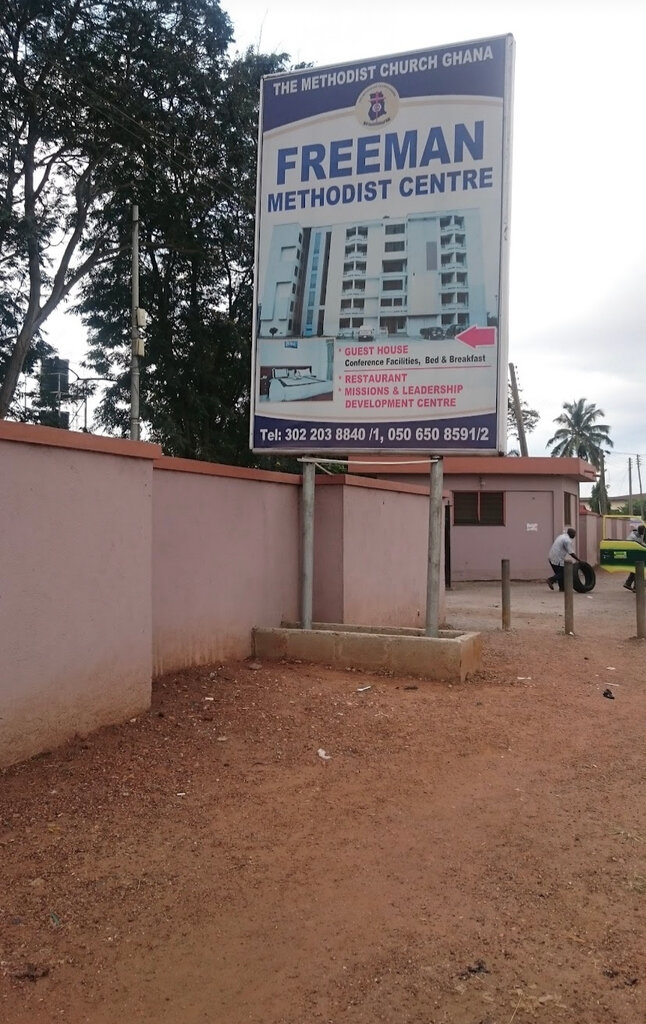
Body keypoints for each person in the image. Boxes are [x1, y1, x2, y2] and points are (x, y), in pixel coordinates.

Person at [623, 523, 646, 591]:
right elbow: (637, 545)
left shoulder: (638, 535)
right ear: (641, 531)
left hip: (634, 553)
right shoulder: (634, 537)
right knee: (638, 569)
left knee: (635, 569)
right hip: (632, 554)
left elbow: (641, 544)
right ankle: (636, 587)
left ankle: (628, 583)